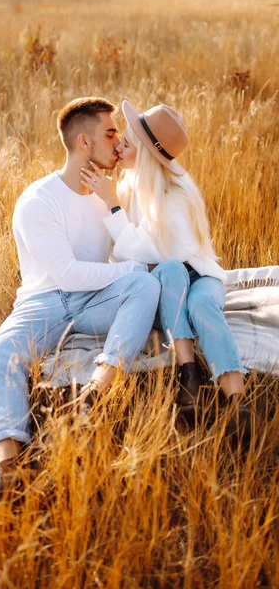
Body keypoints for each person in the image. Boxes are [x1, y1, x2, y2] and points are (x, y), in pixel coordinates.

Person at [0, 97, 161, 514]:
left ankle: (97, 392)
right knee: (1, 350)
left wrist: (121, 221)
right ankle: (7, 467)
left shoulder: (111, 192)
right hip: (44, 303)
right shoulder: (38, 201)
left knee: (145, 288)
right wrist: (133, 271)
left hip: (94, 299)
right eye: (109, 133)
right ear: (84, 142)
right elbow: (67, 275)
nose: (118, 141)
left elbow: (148, 254)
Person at [79, 100, 251, 436]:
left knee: (200, 302)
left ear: (144, 154)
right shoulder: (130, 186)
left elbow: (142, 248)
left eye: (126, 143)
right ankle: (191, 375)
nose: (118, 147)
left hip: (200, 278)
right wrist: (113, 197)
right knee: (170, 270)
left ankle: (238, 405)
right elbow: (132, 256)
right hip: (167, 283)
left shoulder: (175, 196)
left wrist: (112, 204)